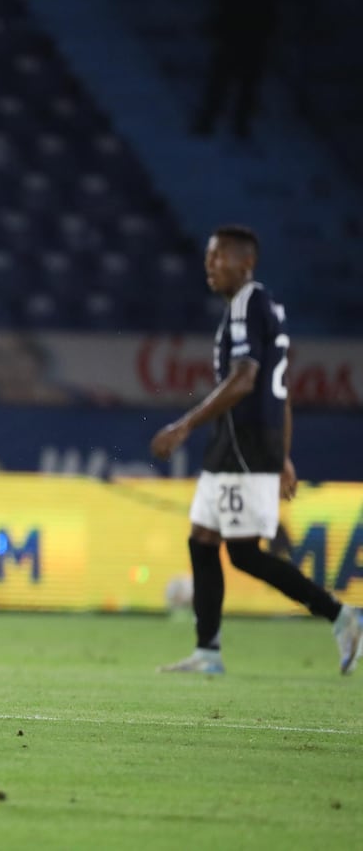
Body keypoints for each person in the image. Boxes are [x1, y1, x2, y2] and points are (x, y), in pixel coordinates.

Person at [151, 224, 361, 674]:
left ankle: (341, 615)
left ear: (245, 264)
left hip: (244, 449)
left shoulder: (248, 305)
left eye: (218, 258)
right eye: (208, 257)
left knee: (244, 552)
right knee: (202, 538)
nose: (209, 266)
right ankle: (207, 651)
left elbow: (246, 380)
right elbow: (278, 390)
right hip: (236, 446)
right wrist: (283, 453)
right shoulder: (260, 308)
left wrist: (184, 424)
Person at [190, 0, 278, 140]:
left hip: (242, 44)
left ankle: (218, 123)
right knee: (233, 87)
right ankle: (229, 124)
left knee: (228, 87)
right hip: (245, 45)